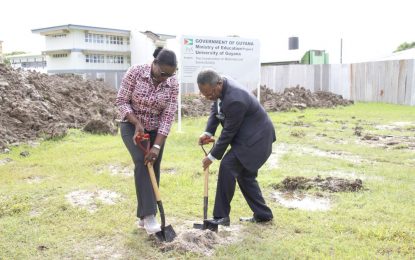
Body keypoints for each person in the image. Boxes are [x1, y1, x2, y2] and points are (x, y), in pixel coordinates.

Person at [197, 69, 275, 226]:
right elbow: (216, 108)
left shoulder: (235, 99)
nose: (208, 97)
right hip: (250, 137)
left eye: (209, 93)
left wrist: (211, 157)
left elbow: (228, 133)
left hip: (257, 140)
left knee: (227, 166)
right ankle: (263, 214)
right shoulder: (221, 86)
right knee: (245, 176)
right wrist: (208, 132)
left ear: (218, 84)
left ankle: (221, 217)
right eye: (204, 94)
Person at [116, 47, 178, 234]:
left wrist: (157, 145)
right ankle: (150, 215)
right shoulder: (135, 72)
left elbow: (168, 117)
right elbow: (121, 101)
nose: (165, 78)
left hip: (156, 130)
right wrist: (136, 123)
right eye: (162, 73)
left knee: (154, 164)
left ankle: (144, 216)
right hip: (131, 126)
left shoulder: (173, 83)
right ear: (154, 63)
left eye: (170, 75)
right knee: (142, 163)